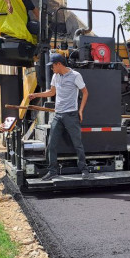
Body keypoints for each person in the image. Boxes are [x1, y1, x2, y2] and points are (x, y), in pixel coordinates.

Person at [28, 53, 89, 181]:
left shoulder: (75, 76)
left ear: (59, 64)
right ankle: (52, 171)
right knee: (51, 145)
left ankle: (84, 169)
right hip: (58, 114)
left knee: (77, 144)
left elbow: (85, 92)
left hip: (71, 115)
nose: (52, 69)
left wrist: (81, 111)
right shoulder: (56, 76)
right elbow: (51, 92)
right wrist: (36, 95)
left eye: (52, 66)